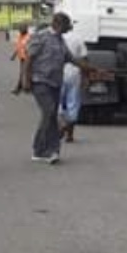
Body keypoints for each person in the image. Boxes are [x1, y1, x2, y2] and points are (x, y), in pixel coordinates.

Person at [22, 13, 98, 164]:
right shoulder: (41, 37)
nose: (69, 28)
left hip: (55, 83)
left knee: (49, 116)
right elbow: (29, 58)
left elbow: (71, 59)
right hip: (40, 81)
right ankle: (44, 149)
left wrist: (91, 69)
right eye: (66, 25)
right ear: (57, 23)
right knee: (50, 112)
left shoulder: (60, 40)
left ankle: (48, 150)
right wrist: (25, 80)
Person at [58, 24, 88, 143]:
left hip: (58, 72)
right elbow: (84, 58)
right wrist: (86, 77)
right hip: (74, 73)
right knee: (73, 103)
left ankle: (61, 124)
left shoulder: (57, 38)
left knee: (58, 102)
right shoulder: (78, 38)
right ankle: (69, 135)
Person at [10, 24, 31, 94]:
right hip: (21, 57)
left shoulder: (28, 37)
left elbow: (30, 48)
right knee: (23, 73)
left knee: (23, 73)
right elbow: (18, 46)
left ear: (25, 29)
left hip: (27, 58)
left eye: (21, 29)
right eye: (19, 29)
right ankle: (24, 88)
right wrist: (14, 55)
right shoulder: (20, 36)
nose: (20, 31)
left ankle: (19, 88)